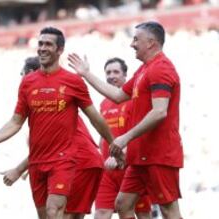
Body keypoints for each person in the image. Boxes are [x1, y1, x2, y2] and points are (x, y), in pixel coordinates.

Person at [0, 27, 113, 219]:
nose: (42, 48)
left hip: (63, 160)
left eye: (48, 44)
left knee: (56, 212)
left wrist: (114, 143)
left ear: (60, 50)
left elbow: (94, 116)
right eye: (40, 44)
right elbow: (15, 121)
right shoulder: (28, 83)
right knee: (46, 216)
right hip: (37, 162)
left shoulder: (73, 82)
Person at [68, 21, 183, 219]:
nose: (132, 44)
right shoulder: (143, 70)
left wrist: (125, 138)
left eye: (136, 39)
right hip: (140, 156)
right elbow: (119, 95)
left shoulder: (161, 68)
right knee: (122, 204)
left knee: (168, 210)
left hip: (160, 153)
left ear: (151, 43)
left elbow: (159, 112)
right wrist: (86, 74)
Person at [1, 56, 104, 219]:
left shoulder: (49, 103)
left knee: (58, 214)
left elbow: (51, 146)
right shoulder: (52, 103)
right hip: (86, 161)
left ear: (30, 73)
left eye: (22, 74)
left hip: (78, 161)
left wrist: (18, 169)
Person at [94, 58, 152, 219]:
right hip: (108, 169)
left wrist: (122, 154)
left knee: (142, 213)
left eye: (116, 72)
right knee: (100, 213)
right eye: (108, 72)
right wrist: (101, 158)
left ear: (125, 75)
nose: (111, 76)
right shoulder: (104, 103)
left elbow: (141, 131)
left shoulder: (134, 100)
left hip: (131, 166)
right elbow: (102, 135)